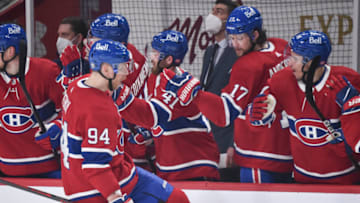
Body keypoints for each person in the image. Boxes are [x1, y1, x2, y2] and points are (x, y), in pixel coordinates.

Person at [164, 6, 293, 183]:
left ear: (255, 35)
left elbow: (224, 114)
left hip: (258, 155)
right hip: (288, 152)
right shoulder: (281, 46)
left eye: (239, 38)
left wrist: (195, 93)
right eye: (231, 38)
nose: (234, 44)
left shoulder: (246, 65)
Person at [60, 39, 189, 203]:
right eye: (122, 67)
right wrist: (116, 198)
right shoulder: (98, 110)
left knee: (176, 198)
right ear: (106, 69)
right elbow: (95, 168)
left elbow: (145, 114)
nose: (127, 73)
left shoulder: (79, 84)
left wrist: (169, 99)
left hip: (118, 173)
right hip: (97, 189)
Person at [248, 30, 360, 184]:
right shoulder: (283, 80)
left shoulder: (348, 80)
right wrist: (259, 114)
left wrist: (353, 111)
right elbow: (264, 108)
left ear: (312, 61)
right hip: (302, 181)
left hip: (345, 182)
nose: (289, 63)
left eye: (295, 58)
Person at [114, 30, 220, 181]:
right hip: (171, 168)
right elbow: (162, 121)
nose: (151, 57)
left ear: (169, 59)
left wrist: (117, 95)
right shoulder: (154, 79)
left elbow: (153, 115)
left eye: (156, 54)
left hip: (195, 168)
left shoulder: (176, 82)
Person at [85, 13, 154, 171]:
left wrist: (70, 79)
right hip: (130, 132)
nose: (91, 42)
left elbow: (94, 99)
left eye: (97, 38)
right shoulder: (129, 54)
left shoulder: (120, 64)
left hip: (126, 138)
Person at [0, 24, 64, 178]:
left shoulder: (47, 71)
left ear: (10, 52)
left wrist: (59, 127)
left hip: (50, 168)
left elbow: (73, 110)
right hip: (7, 173)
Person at [200, 0, 239, 181]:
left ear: (230, 20)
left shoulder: (239, 53)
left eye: (219, 12)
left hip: (228, 138)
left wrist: (234, 143)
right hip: (208, 138)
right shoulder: (209, 51)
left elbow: (242, 101)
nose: (213, 15)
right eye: (213, 10)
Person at [55, 16, 90, 89]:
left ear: (79, 38)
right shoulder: (54, 66)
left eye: (64, 35)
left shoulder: (90, 68)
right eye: (59, 35)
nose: (60, 39)